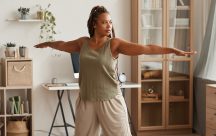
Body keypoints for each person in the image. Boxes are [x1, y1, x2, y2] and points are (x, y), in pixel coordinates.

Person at [34, 5, 195, 136]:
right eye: (104, 22)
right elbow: (62, 45)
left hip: (110, 99)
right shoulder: (82, 43)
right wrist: (48, 43)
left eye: (110, 22)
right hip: (86, 100)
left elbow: (146, 48)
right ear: (94, 24)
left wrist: (172, 50)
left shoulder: (114, 44)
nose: (109, 25)